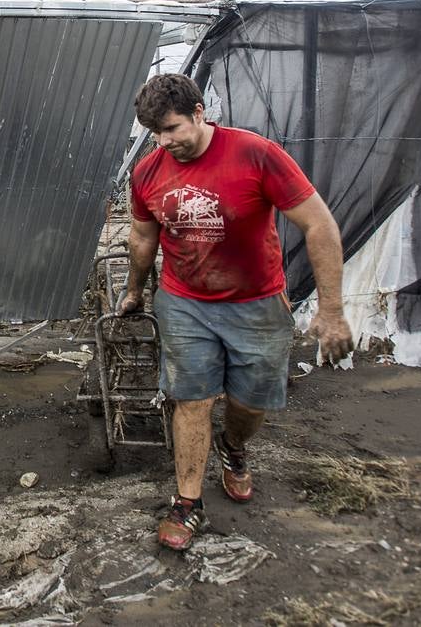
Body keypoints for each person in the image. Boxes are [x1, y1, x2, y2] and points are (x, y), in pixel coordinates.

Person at [119, 74, 353, 551]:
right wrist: (134, 290)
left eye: (172, 128)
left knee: (250, 403)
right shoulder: (148, 172)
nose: (165, 142)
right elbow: (143, 239)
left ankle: (234, 446)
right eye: (155, 133)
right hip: (185, 302)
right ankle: (188, 502)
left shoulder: (255, 154)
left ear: (200, 112)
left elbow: (320, 225)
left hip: (256, 303)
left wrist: (332, 309)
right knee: (191, 398)